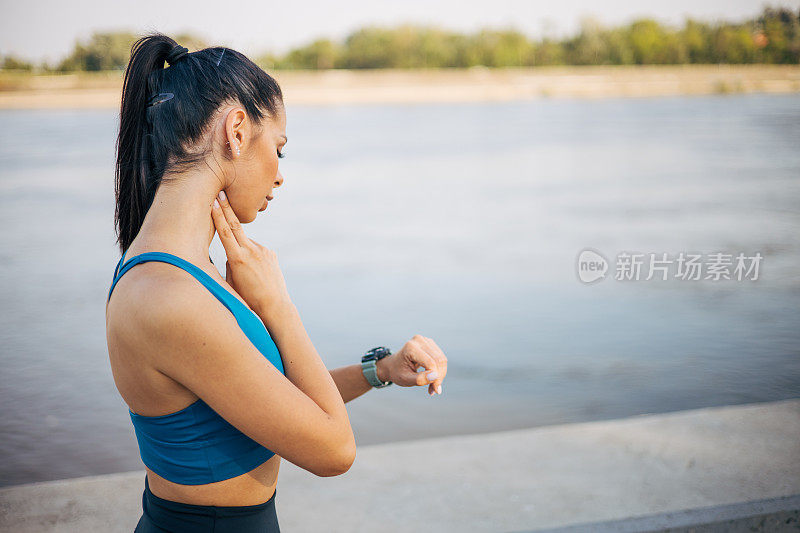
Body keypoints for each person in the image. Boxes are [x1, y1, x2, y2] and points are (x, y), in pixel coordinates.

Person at [104, 33, 448, 532]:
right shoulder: (168, 295)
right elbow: (335, 450)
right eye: (280, 150)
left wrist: (382, 370)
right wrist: (277, 306)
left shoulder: (184, 271)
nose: (280, 176)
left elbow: (271, 401)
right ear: (237, 131)